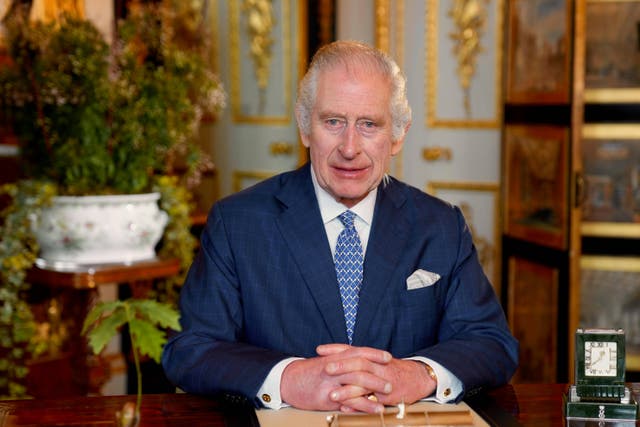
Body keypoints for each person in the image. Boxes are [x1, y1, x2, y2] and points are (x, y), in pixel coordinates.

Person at [161, 40, 518, 414]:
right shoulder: (237, 223)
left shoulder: (441, 225)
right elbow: (189, 349)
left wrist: (416, 374)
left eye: (369, 124)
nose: (350, 147)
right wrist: (289, 379)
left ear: (397, 136)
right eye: (333, 122)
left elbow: (492, 343)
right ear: (304, 128)